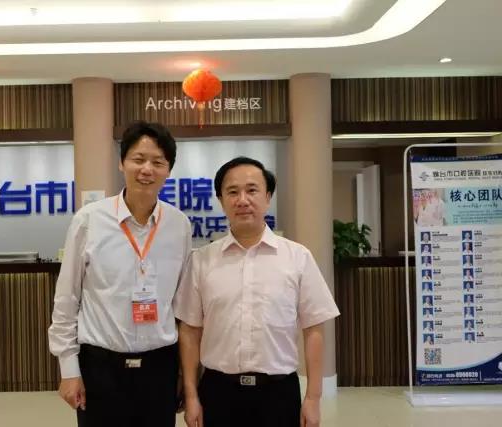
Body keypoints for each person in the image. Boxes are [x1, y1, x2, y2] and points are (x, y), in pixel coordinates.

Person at [174, 157, 340, 427]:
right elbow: (190, 331)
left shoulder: (298, 257)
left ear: (268, 196)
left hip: (278, 393)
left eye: (252, 190)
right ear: (221, 200)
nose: (242, 200)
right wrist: (191, 395)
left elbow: (314, 329)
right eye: (232, 192)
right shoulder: (202, 260)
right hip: (218, 392)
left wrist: (313, 397)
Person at [48, 121, 192, 427]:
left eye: (158, 162)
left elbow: (183, 305)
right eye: (138, 159)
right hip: (100, 366)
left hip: (160, 365)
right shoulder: (89, 220)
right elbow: (67, 298)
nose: (147, 170)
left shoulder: (178, 225)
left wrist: (184, 372)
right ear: (122, 163)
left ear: (168, 170)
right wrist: (69, 369)